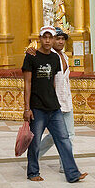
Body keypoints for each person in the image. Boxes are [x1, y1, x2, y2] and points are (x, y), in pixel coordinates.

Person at [22, 27, 85, 184]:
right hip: (37, 107)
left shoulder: (55, 58)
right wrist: (27, 108)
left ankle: (72, 173)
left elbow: (53, 82)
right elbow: (27, 83)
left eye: (52, 37)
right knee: (35, 141)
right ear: (40, 38)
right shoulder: (31, 57)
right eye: (45, 37)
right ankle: (32, 172)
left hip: (54, 107)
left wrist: (55, 101)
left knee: (64, 139)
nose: (48, 41)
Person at [37, 29, 74, 171]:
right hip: (53, 103)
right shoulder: (48, 57)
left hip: (66, 101)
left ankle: (65, 166)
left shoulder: (65, 56)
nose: (60, 42)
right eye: (57, 39)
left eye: (62, 39)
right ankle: (34, 155)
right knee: (56, 135)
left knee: (68, 135)